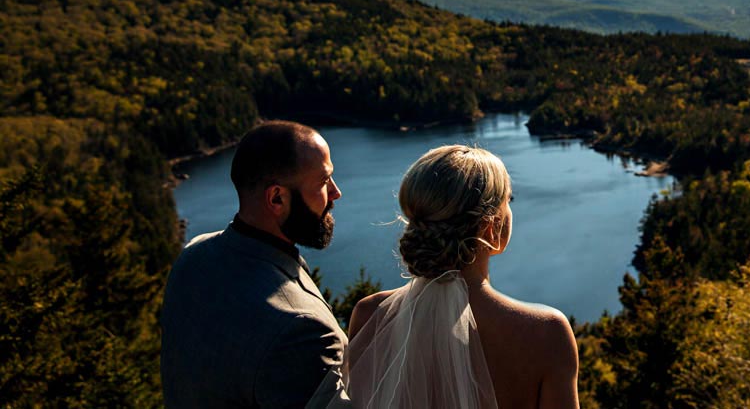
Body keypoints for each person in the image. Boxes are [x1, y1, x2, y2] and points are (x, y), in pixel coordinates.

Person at [328, 144, 579, 409]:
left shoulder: (370, 315)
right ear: (489, 227)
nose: (510, 209)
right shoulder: (546, 334)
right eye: (508, 201)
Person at [161, 120, 346, 408]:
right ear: (276, 198)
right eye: (324, 181)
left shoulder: (193, 257)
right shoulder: (300, 331)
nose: (335, 193)